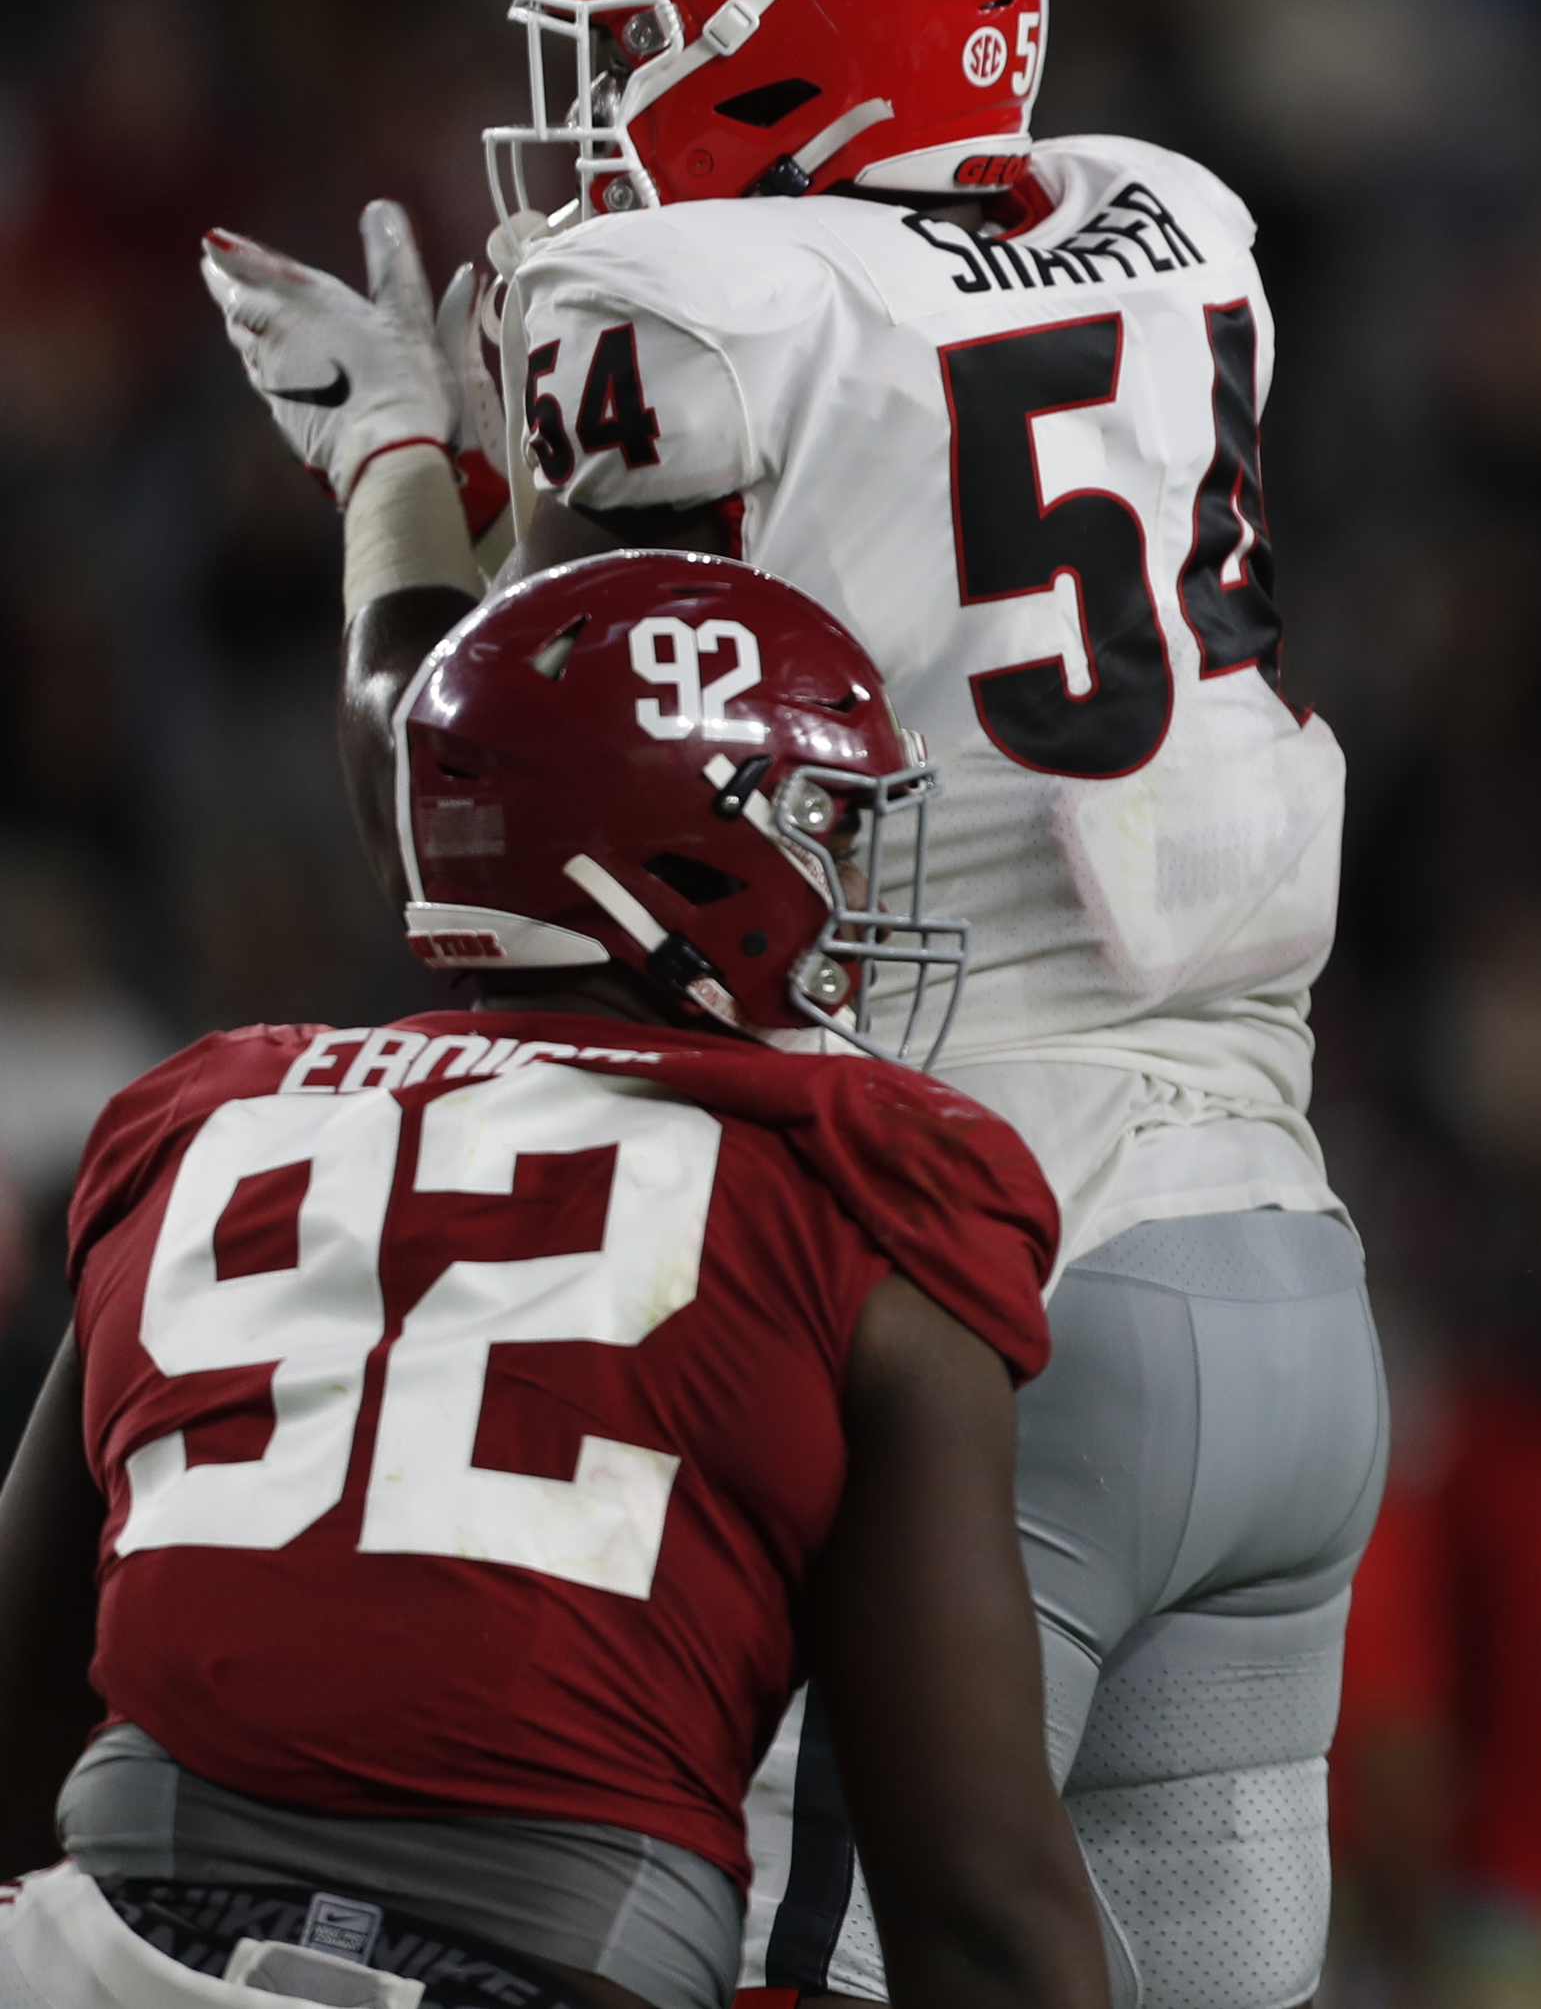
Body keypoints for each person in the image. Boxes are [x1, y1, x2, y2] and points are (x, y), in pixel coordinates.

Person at [201, 0, 1386, 2009]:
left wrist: (390, 478)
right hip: (1282, 1269)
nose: (583, 123)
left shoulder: (696, 304)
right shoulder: (1173, 223)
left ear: (771, 56)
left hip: (960, 1277)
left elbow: (451, 808)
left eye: (624, 49)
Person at [0, 550, 1103, 2009]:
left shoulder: (199, 1119)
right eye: (824, 828)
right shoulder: (861, 1189)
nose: (852, 886)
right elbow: (977, 1909)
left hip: (95, 1943)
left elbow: (14, 1714)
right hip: (535, 1962)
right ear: (690, 856)